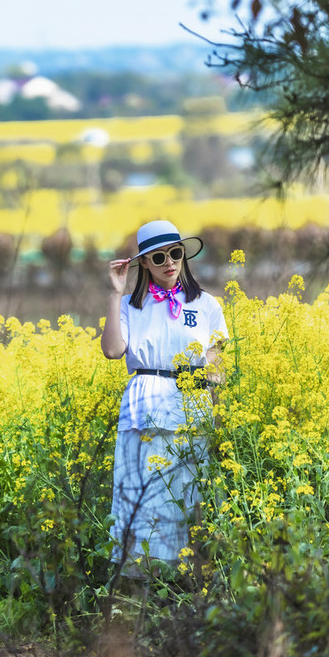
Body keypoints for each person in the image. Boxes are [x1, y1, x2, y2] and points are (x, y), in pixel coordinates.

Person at [100, 219, 228, 576]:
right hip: (145, 403)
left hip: (192, 403)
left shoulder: (206, 305)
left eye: (175, 253)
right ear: (144, 263)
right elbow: (113, 350)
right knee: (145, 495)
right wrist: (115, 293)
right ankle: (144, 585)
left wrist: (220, 420)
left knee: (188, 493)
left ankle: (189, 583)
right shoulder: (130, 305)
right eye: (159, 257)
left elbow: (216, 370)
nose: (169, 262)